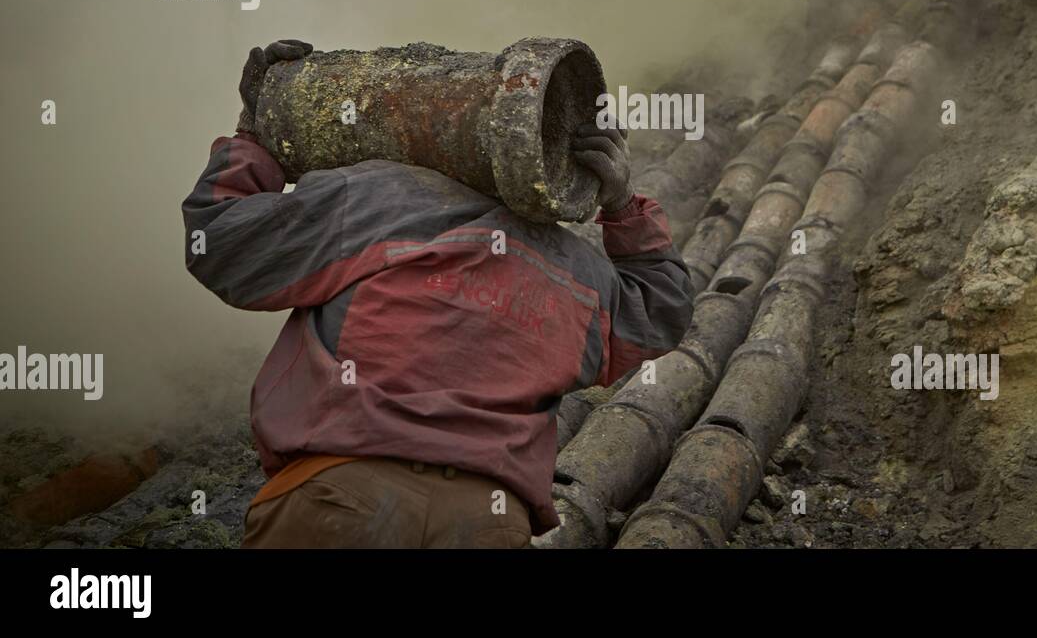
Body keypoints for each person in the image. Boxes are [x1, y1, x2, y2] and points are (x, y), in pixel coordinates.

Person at [182, 39, 694, 548]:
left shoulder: (372, 197)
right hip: (488, 525)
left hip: (340, 502)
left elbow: (221, 242)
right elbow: (659, 315)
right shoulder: (580, 274)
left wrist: (254, 132)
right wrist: (624, 204)